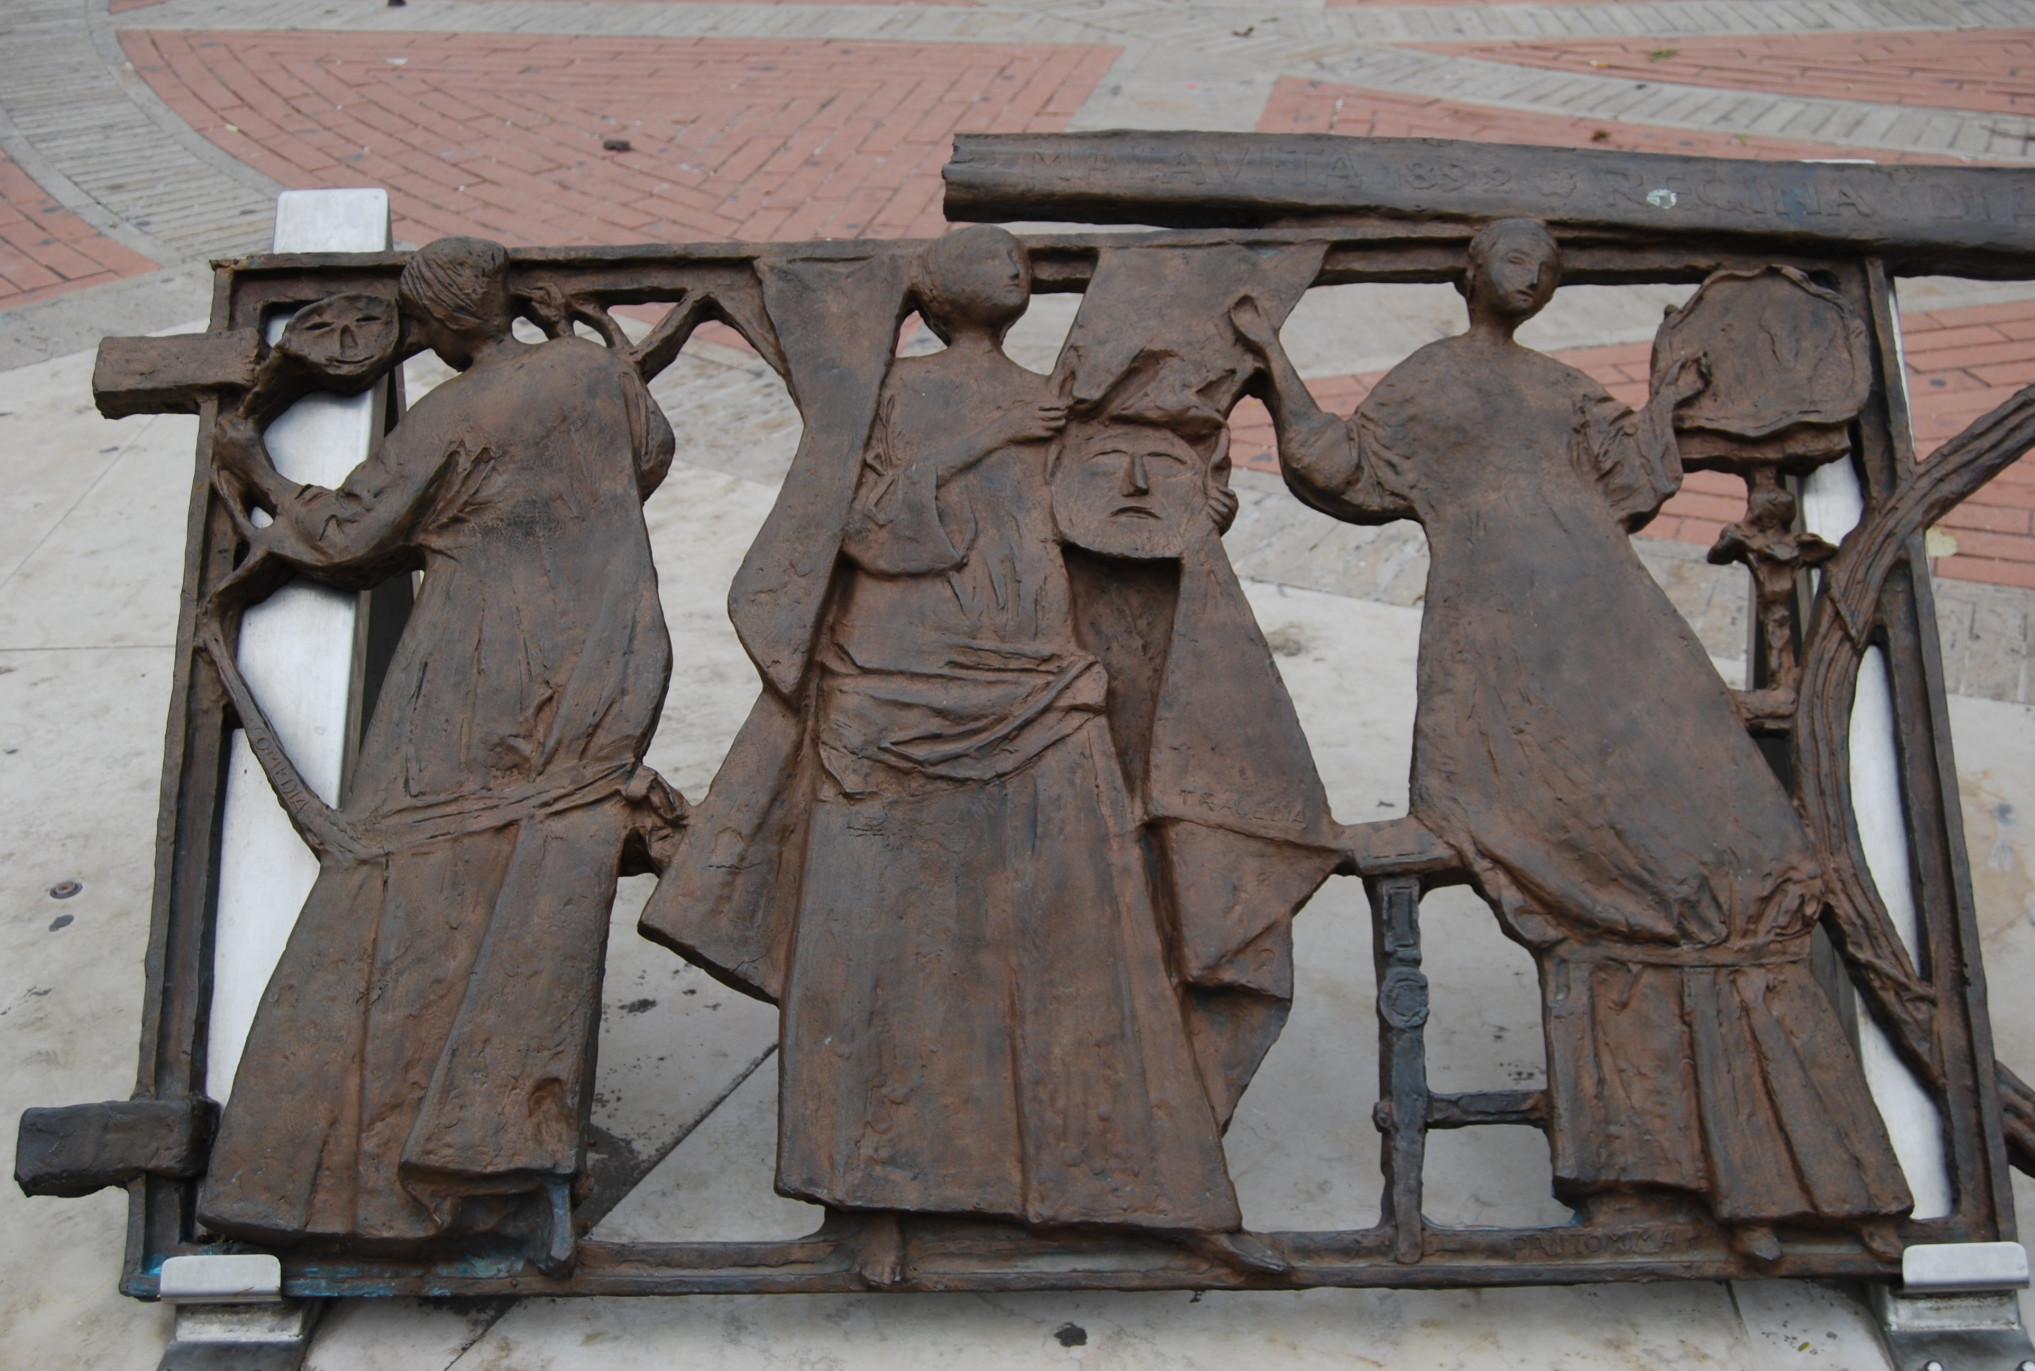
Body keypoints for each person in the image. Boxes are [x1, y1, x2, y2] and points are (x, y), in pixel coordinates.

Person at [643, 226, 1319, 1279]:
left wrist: (1187, 508)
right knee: (879, 953)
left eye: (1014, 261)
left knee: (1090, 946)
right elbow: (865, 531)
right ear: (933, 291)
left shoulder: (1060, 402)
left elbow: (1106, 530)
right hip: (893, 690)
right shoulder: (886, 399)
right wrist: (985, 439)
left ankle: (1152, 1187)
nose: (1008, 271)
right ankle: (871, 1200)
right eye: (985, 260)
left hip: (1038, 690)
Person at [1231, 218, 1912, 1260]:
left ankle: (1792, 1175)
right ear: (1469, 274)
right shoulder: (1432, 377)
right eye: (1512, 258)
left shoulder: (1559, 386)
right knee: (1592, 862)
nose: (1530, 275)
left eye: (1544, 267)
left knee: (1735, 848)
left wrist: (1667, 402)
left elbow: (1630, 483)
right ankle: (1652, 1176)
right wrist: (1272, 365)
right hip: (1501, 646)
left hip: (1617, 628)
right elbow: (1346, 470)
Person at [197, 236, 675, 1275]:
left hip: (480, 671)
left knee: (408, 884)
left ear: (442, 323)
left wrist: (255, 467)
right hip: (607, 652)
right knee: (539, 887)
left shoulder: (450, 416)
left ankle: (363, 1174)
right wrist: (570, 333)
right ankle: (506, 1159)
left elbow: (346, 537)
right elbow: (648, 456)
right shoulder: (590, 372)